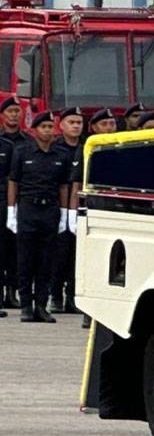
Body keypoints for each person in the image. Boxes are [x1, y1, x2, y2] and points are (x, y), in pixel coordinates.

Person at [8, 111, 70, 323]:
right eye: (43, 127)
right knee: (25, 260)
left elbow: (63, 186)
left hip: (49, 210)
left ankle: (42, 306)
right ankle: (26, 305)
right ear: (35, 130)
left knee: (46, 261)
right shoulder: (22, 152)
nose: (47, 131)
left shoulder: (59, 155)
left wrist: (64, 214)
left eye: (50, 127)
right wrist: (11, 212)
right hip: (28, 209)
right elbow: (13, 181)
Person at [79, 108, 117, 330]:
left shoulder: (123, 148)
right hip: (94, 212)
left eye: (112, 124)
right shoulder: (90, 150)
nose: (110, 128)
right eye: (105, 124)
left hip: (116, 213)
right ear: (93, 127)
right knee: (91, 263)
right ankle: (88, 312)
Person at [49, 107, 84, 314]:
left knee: (75, 257)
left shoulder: (86, 147)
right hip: (58, 210)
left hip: (79, 210)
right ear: (61, 125)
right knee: (58, 256)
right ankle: (56, 297)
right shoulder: (55, 149)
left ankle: (72, 297)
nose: (76, 126)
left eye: (79, 122)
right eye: (72, 122)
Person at [0, 95, 28, 310]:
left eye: (17, 111)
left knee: (15, 250)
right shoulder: (3, 141)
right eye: (10, 111)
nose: (14, 115)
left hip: (20, 201)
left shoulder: (27, 142)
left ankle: (12, 291)